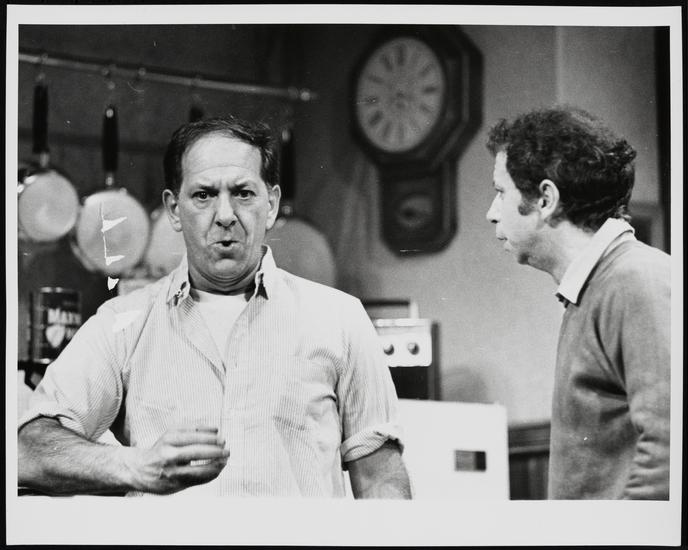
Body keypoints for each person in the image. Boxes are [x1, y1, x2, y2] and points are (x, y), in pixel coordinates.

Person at [18, 116, 411, 498]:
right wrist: (134, 466)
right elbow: (27, 450)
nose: (225, 215)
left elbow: (380, 480)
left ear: (272, 204)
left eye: (243, 193)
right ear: (174, 209)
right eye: (203, 195)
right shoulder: (123, 322)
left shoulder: (340, 318)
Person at [485, 106, 670, 499]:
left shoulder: (635, 280)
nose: (491, 213)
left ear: (546, 199)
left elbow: (670, 448)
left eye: (501, 192)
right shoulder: (594, 288)